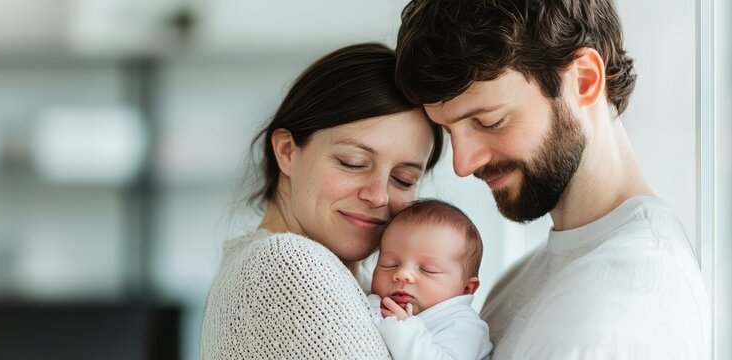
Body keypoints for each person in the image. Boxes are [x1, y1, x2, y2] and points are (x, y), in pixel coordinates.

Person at [395, 0, 709, 359]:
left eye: (490, 121)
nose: (463, 165)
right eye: (450, 132)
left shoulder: (621, 299)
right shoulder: (521, 278)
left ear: (585, 80)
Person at [200, 43, 443, 359]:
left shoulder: (358, 284)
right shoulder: (287, 263)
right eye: (352, 162)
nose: (379, 195)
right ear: (287, 151)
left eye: (404, 179)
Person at [368, 198, 493, 360]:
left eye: (428, 270)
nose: (403, 274)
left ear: (466, 289)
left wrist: (403, 329)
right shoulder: (371, 302)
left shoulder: (464, 325)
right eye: (389, 264)